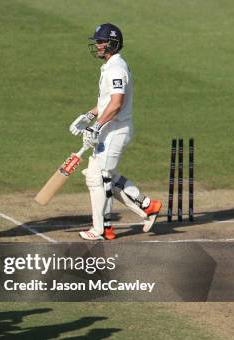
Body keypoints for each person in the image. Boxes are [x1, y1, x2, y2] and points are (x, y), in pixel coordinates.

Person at [70, 23, 162, 240]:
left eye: (101, 42)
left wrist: (96, 126)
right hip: (109, 127)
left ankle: (101, 229)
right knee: (104, 176)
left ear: (112, 43)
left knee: (98, 178)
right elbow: (105, 103)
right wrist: (88, 116)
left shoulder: (116, 69)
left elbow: (117, 103)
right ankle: (147, 205)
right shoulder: (110, 67)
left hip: (116, 129)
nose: (98, 45)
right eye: (97, 42)